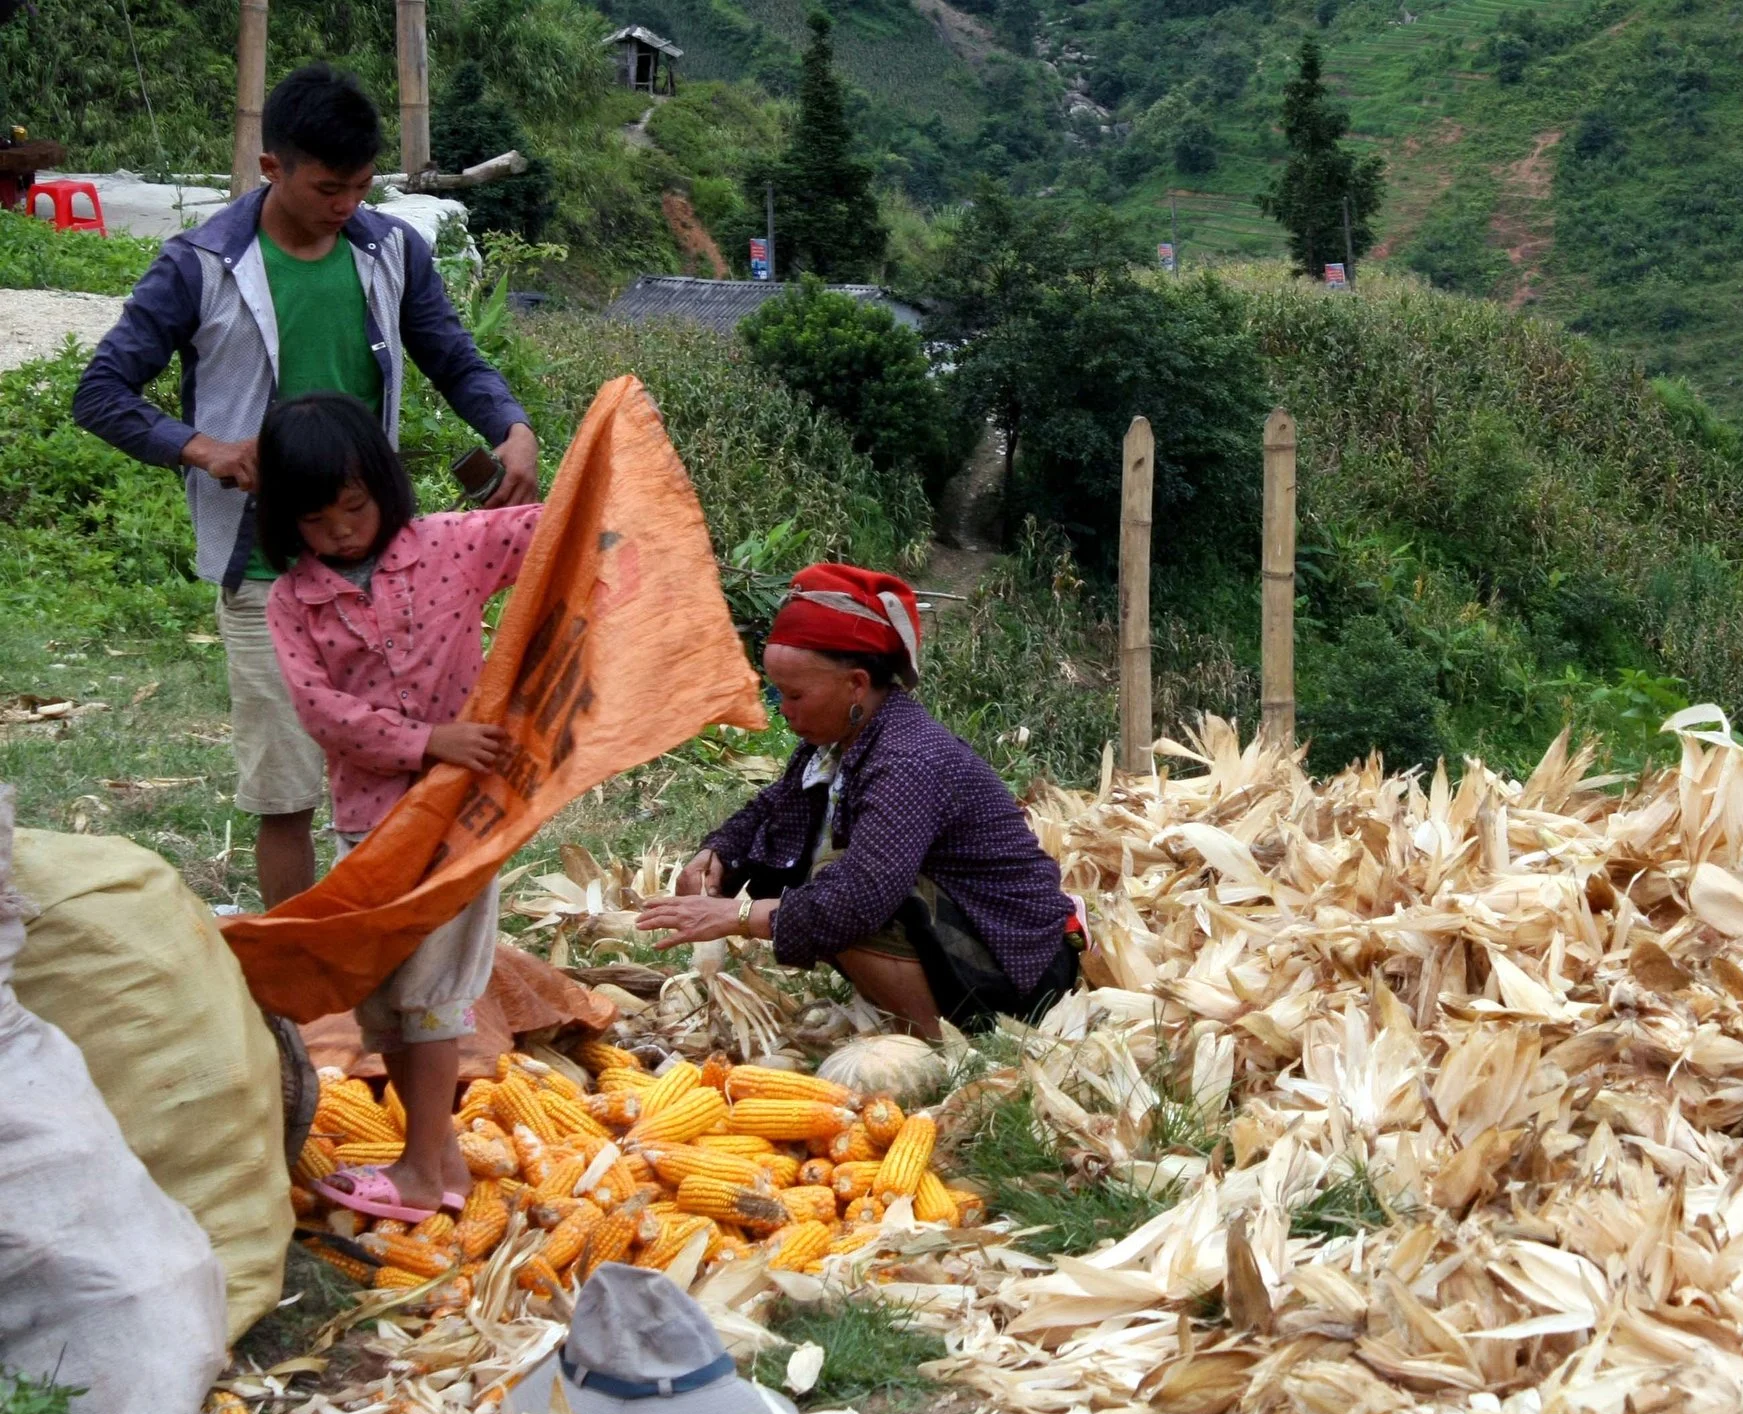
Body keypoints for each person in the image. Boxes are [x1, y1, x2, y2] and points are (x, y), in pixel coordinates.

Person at [72, 62, 539, 911]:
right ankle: (301, 962)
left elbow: (451, 354)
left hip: (382, 567)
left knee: (416, 765)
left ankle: (413, 956)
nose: (346, 205)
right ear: (271, 167)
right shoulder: (200, 265)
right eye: (328, 188)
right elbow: (100, 393)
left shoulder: (390, 250)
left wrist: (509, 423)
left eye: (362, 187)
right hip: (266, 566)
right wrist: (202, 448)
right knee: (285, 789)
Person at [258, 393, 539, 1221]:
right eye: (317, 520)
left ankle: (419, 1168)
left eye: (355, 507)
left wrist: (585, 460)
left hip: (462, 818)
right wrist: (426, 741)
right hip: (371, 819)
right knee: (385, 993)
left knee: (432, 986)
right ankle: (441, 1161)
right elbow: (322, 712)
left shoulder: (454, 544)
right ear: (286, 520)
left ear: (383, 486)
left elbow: (553, 534)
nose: (342, 531)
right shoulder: (292, 602)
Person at [635, 564, 1082, 1038]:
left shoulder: (908, 759)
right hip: (973, 942)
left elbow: (859, 897)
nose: (783, 710)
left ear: (857, 685)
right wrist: (719, 853)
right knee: (831, 883)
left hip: (1019, 964)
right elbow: (775, 806)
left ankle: (933, 1042)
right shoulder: (836, 741)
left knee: (842, 889)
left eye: (795, 695)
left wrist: (739, 916)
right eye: (778, 692)